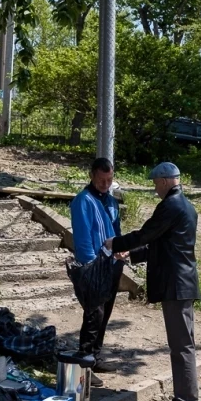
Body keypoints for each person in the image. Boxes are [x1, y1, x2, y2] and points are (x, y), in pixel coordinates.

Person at [105, 162, 201, 401]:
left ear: (165, 181)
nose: (155, 188)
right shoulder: (185, 206)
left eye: (156, 183)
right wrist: (131, 254)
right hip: (180, 283)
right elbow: (163, 245)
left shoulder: (170, 206)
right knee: (179, 345)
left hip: (176, 285)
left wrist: (116, 243)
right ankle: (181, 398)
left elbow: (146, 235)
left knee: (182, 346)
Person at [70, 157, 123, 387]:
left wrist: (122, 249)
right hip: (95, 265)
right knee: (94, 314)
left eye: (109, 180)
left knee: (106, 311)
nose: (106, 184)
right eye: (102, 180)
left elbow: (117, 231)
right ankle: (84, 363)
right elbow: (83, 238)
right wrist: (91, 266)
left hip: (113, 263)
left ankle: (96, 356)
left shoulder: (111, 200)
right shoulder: (83, 200)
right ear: (92, 175)